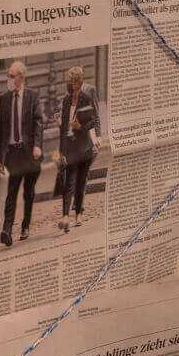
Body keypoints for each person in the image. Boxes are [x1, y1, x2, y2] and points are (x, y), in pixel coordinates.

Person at [0, 61, 43, 246]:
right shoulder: (4, 99)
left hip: (29, 153)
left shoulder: (32, 96)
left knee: (28, 192)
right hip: (13, 154)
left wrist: (37, 145)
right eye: (8, 75)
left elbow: (38, 123)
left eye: (11, 76)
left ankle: (25, 225)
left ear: (21, 78)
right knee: (11, 192)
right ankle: (6, 230)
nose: (8, 79)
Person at [57, 67, 100, 233]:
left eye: (75, 82)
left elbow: (93, 121)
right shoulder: (66, 100)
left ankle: (78, 214)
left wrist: (80, 126)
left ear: (80, 81)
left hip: (84, 146)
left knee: (81, 182)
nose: (72, 85)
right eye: (70, 82)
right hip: (70, 146)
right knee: (68, 182)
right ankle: (65, 216)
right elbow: (63, 128)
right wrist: (61, 152)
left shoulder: (86, 97)